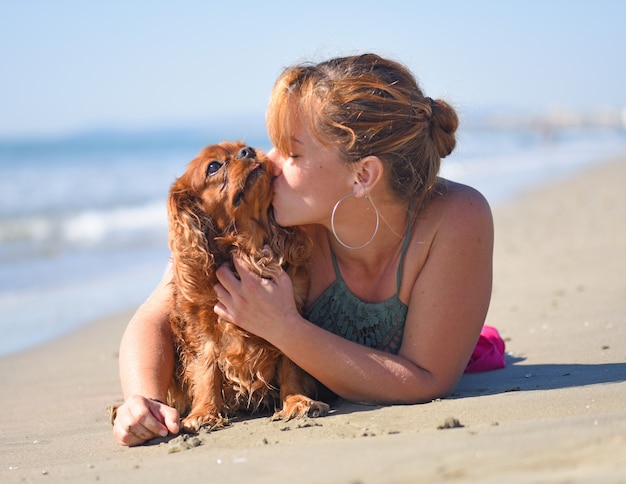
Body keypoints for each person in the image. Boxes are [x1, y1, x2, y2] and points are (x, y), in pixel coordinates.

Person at [112, 53, 494, 446]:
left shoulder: (455, 218)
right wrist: (145, 401)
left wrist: (283, 327)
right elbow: (156, 315)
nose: (268, 161)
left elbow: (427, 380)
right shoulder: (275, 225)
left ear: (363, 175)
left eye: (291, 153)